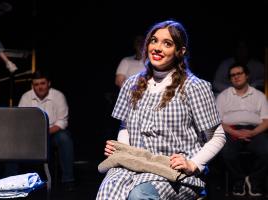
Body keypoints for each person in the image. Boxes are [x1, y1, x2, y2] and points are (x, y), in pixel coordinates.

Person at [96, 20, 226, 200]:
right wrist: (122, 149)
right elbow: (125, 127)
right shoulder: (131, 84)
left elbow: (218, 136)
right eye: (154, 40)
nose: (157, 47)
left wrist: (193, 164)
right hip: (135, 164)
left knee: (139, 195)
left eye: (167, 43)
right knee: (107, 193)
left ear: (180, 51)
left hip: (174, 172)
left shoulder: (194, 87)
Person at [216, 63, 268, 197]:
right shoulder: (223, 96)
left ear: (247, 76)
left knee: (266, 150)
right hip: (230, 130)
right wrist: (235, 132)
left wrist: (252, 132)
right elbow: (217, 121)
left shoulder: (258, 96)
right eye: (233, 75)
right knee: (227, 152)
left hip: (255, 130)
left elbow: (266, 121)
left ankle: (253, 181)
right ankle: (238, 181)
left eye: (239, 74)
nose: (236, 77)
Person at [18, 70, 75, 191]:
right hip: (31, 135)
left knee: (64, 138)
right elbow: (21, 121)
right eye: (36, 84)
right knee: (14, 140)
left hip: (52, 133)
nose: (39, 87)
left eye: (42, 83)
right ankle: (14, 182)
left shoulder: (58, 96)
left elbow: (62, 122)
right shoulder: (26, 97)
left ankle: (68, 180)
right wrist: (33, 134)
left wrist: (44, 133)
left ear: (49, 83)